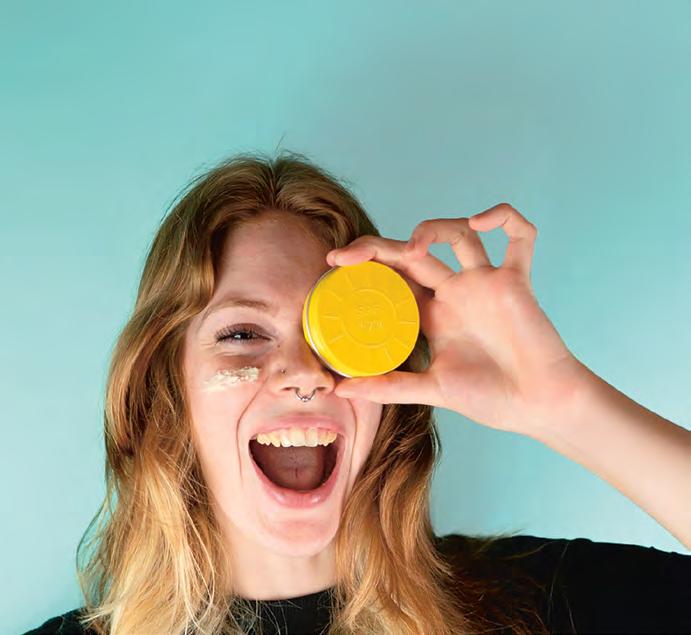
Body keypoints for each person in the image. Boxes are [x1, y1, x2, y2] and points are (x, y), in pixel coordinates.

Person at [24, 152, 691, 635]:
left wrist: (559, 402)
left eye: (338, 335)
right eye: (243, 333)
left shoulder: (545, 606)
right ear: (166, 386)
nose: (305, 372)